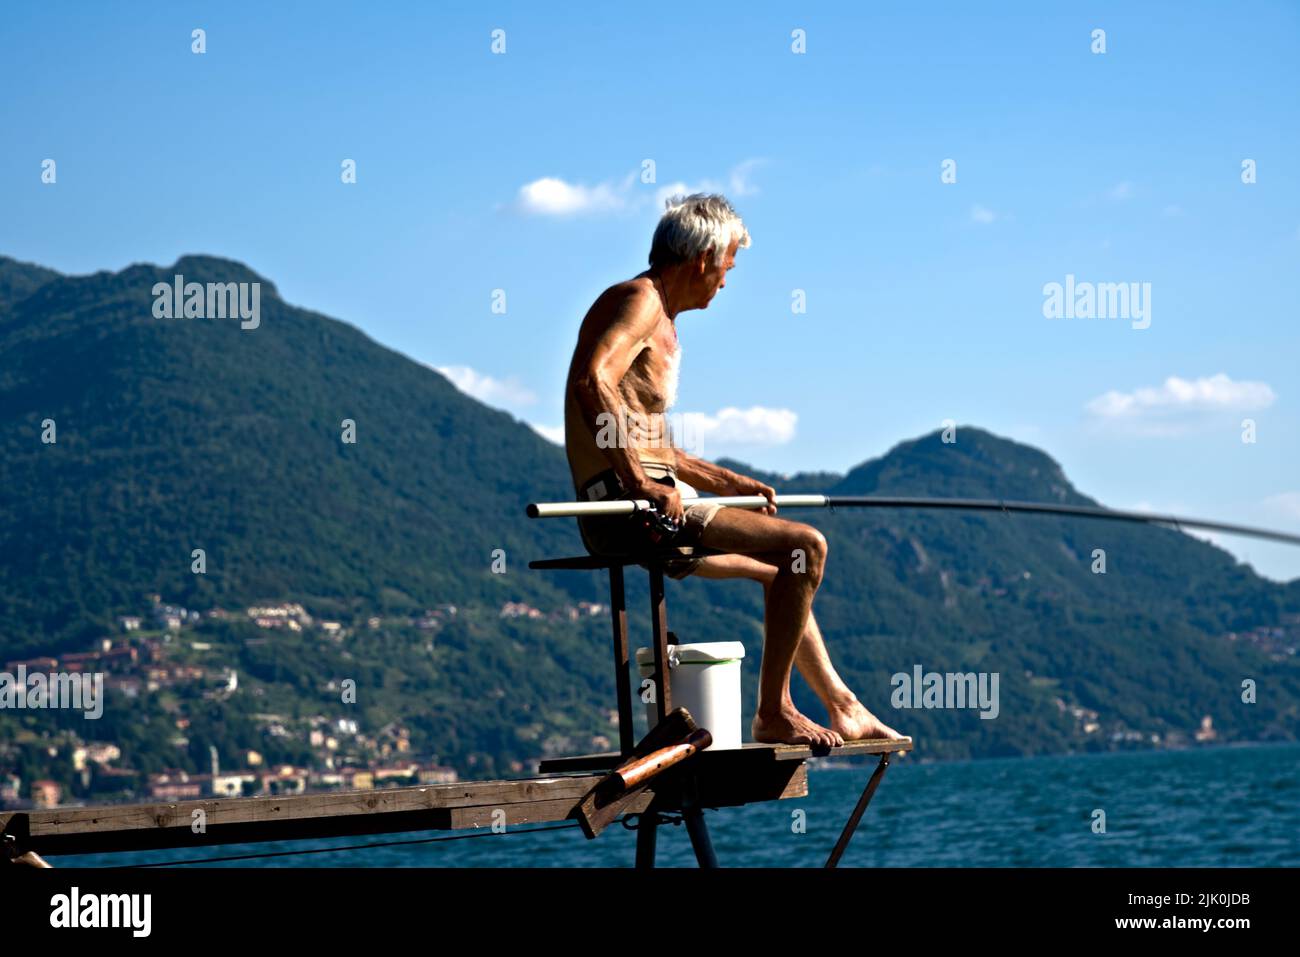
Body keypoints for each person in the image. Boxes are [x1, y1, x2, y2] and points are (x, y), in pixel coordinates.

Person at [563, 193, 901, 747]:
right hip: (623, 508)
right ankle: (774, 713)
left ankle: (844, 707)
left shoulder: (662, 317)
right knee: (805, 548)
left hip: (650, 500)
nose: (726, 280)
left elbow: (653, 443)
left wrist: (727, 481)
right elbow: (589, 380)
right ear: (703, 258)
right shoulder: (639, 301)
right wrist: (639, 483)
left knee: (783, 577)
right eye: (728, 266)